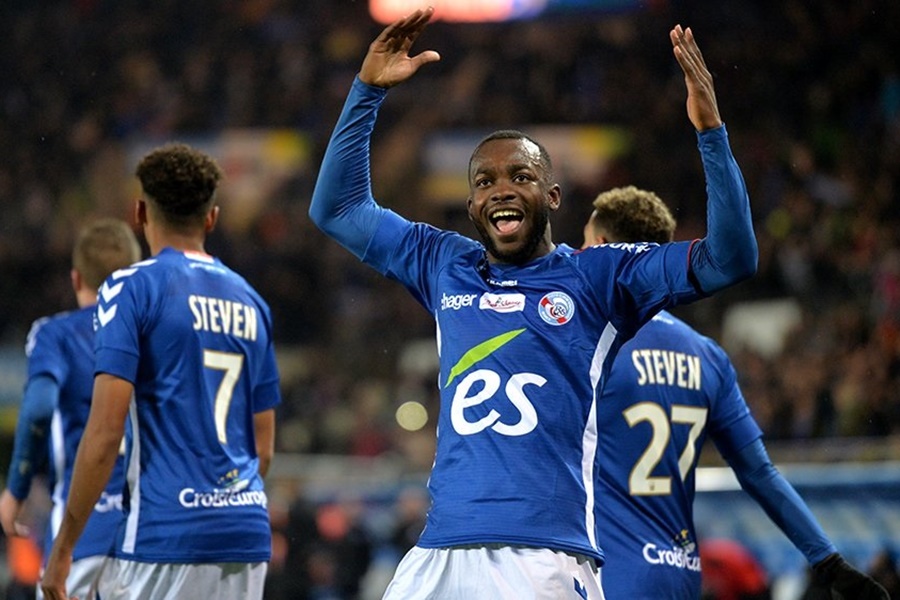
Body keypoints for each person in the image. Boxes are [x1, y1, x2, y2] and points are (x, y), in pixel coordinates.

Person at [310, 8, 757, 599]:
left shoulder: (599, 277)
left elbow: (730, 259)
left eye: (519, 176)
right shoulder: (444, 262)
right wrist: (366, 92)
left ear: (552, 195)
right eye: (484, 182)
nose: (500, 189)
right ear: (472, 206)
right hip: (440, 551)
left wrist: (711, 133)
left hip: (544, 556)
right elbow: (336, 209)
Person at [583, 186, 890, 599]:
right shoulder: (707, 356)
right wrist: (827, 559)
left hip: (607, 574)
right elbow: (759, 473)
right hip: (681, 577)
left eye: (583, 243)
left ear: (601, 246)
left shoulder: (592, 346)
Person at [40, 143, 282, 600]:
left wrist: (64, 546)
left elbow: (104, 433)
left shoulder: (130, 288)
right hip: (245, 534)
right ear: (211, 218)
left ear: (139, 212)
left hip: (163, 536)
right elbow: (263, 448)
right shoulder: (252, 302)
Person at [0, 218, 141, 599]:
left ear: (76, 278)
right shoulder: (150, 335)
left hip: (80, 535)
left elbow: (39, 408)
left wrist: (16, 489)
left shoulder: (56, 334)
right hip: (145, 535)